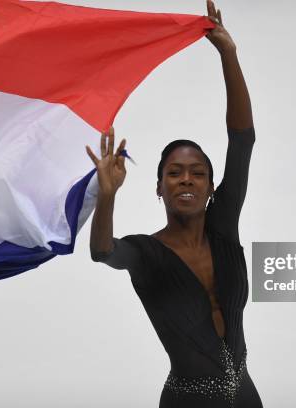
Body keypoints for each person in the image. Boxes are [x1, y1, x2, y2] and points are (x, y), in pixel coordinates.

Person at [86, 1, 262, 406]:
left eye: (198, 172)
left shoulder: (223, 228)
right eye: (175, 173)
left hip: (246, 397)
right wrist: (107, 197)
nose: (186, 179)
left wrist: (228, 55)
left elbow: (243, 140)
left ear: (212, 187)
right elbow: (103, 252)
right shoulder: (148, 253)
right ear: (159, 188)